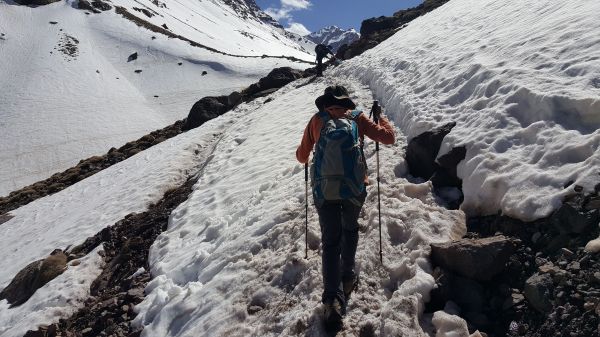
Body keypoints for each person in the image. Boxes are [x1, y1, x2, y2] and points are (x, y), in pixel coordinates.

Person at [295, 85, 395, 329]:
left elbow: (301, 157)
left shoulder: (317, 121)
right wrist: (380, 117)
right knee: (349, 230)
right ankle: (348, 277)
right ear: (346, 102)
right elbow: (389, 138)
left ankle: (332, 300)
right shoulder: (357, 117)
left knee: (331, 241)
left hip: (325, 191)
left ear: (326, 103)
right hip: (354, 189)